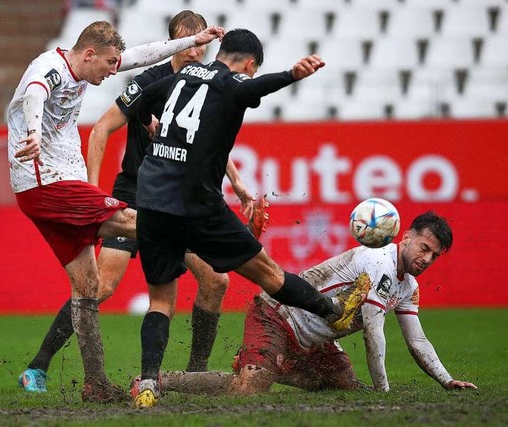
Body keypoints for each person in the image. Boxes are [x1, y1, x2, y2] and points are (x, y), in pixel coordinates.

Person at [17, 11, 266, 395]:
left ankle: (194, 371)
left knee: (215, 280)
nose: (195, 53)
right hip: (135, 195)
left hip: (177, 202)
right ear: (175, 44)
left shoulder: (205, 85)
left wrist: (238, 183)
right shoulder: (148, 82)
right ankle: (39, 365)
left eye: (201, 45)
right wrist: (93, 194)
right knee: (100, 286)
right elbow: (101, 128)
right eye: (188, 44)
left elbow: (208, 141)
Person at [129, 29, 369, 408]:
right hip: (196, 205)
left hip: (152, 202)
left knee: (160, 300)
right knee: (269, 274)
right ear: (250, 64)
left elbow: (142, 99)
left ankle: (147, 383)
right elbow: (254, 89)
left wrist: (148, 123)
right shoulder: (232, 83)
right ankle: (335, 312)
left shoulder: (178, 78)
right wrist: (293, 75)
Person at [158, 211, 478, 395]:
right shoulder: (379, 262)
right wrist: (384, 391)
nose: (426, 258)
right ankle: (163, 380)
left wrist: (447, 380)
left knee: (348, 388)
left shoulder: (408, 286)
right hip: (276, 314)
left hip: (317, 341)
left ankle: (265, 360)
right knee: (249, 387)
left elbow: (417, 340)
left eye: (434, 256)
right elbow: (373, 333)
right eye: (424, 247)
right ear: (406, 236)